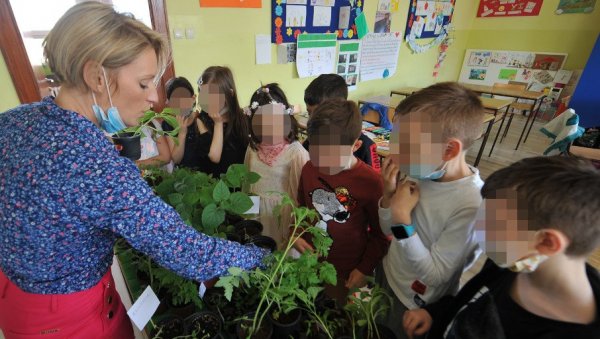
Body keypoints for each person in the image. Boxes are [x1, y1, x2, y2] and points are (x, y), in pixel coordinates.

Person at [0, 3, 266, 338]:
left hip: (14, 301)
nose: (154, 97)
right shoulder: (96, 164)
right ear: (97, 77)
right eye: (144, 84)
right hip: (68, 320)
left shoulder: (12, 121)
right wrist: (260, 258)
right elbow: (183, 249)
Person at [403, 156, 600, 339]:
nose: (481, 231)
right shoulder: (513, 262)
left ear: (547, 242)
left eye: (495, 224)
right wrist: (435, 313)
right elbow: (471, 299)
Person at [377, 82, 486, 338]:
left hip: (415, 303)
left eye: (407, 145)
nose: (395, 154)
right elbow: (386, 228)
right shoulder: (419, 169)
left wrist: (403, 218)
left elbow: (436, 275)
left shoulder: (471, 203)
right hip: (389, 274)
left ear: (449, 150)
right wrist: (388, 194)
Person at [294, 99, 389, 304]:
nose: (320, 161)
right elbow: (301, 206)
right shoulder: (309, 168)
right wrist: (298, 234)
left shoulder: (371, 182)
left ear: (356, 146)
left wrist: (364, 268)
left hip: (346, 268)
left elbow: (381, 235)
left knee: (336, 308)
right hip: (310, 260)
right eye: (315, 150)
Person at [244, 83, 309, 246]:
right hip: (257, 216)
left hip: (282, 219)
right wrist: (247, 219)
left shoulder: (295, 153)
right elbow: (248, 186)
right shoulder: (252, 149)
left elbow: (299, 197)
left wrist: (294, 231)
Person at [303, 74, 380, 171]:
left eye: (319, 115)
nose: (312, 121)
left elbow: (375, 182)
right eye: (309, 113)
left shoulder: (366, 147)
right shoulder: (311, 142)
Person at [193, 66, 251, 178]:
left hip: (238, 184)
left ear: (229, 94)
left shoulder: (243, 119)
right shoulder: (201, 120)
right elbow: (214, 157)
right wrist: (218, 124)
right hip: (213, 185)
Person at [159, 76, 199, 170]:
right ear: (168, 103)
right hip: (184, 177)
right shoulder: (168, 124)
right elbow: (176, 160)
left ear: (193, 99)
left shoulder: (201, 119)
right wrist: (182, 132)